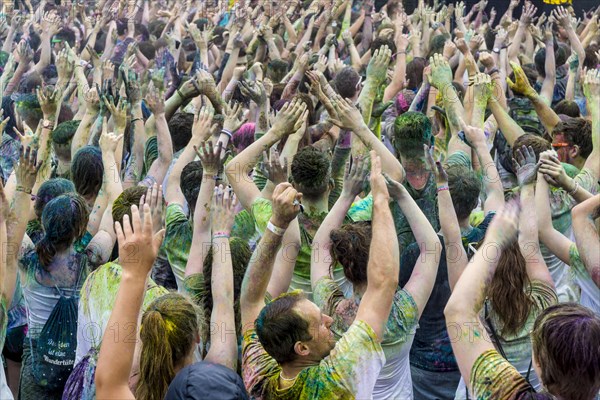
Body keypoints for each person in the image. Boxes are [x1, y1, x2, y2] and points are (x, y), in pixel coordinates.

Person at [241, 155, 400, 398]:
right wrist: (380, 200)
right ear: (302, 348)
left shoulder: (259, 376)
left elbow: (251, 300)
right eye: (319, 322)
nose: (329, 320)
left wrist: (277, 223)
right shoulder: (335, 380)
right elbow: (382, 285)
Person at [310, 156, 441, 398]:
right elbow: (432, 247)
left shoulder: (333, 312)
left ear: (345, 265)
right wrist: (401, 195)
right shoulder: (405, 311)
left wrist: (346, 195)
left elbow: (319, 248)